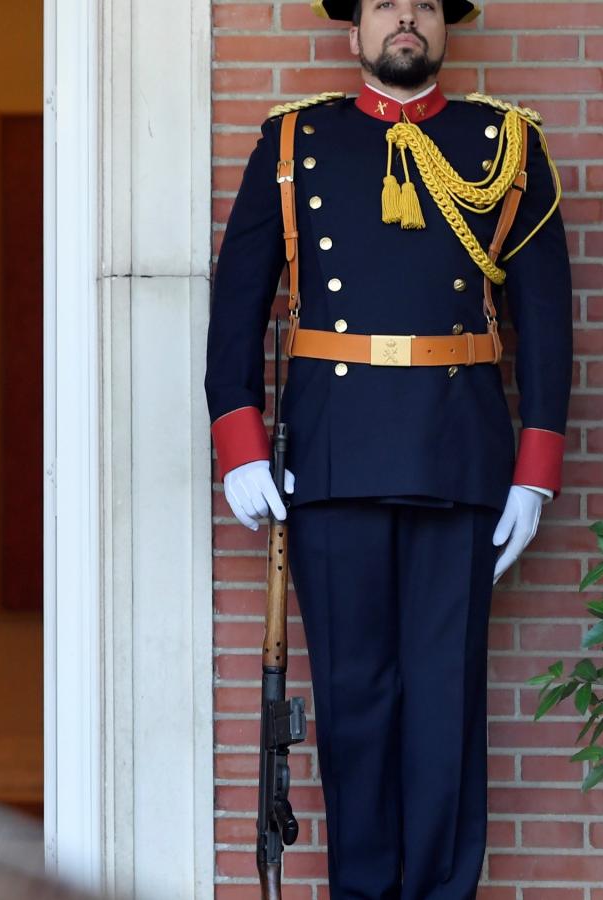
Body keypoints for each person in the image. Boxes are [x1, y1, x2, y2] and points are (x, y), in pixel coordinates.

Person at [205, 0, 571, 894]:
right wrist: (241, 443)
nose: (404, 20)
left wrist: (536, 472)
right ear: (355, 30)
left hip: (459, 455)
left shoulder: (506, 146)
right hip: (333, 460)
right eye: (383, 6)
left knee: (445, 704)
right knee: (355, 704)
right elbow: (237, 307)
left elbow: (547, 319)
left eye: (422, 6)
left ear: (444, 27)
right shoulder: (293, 145)